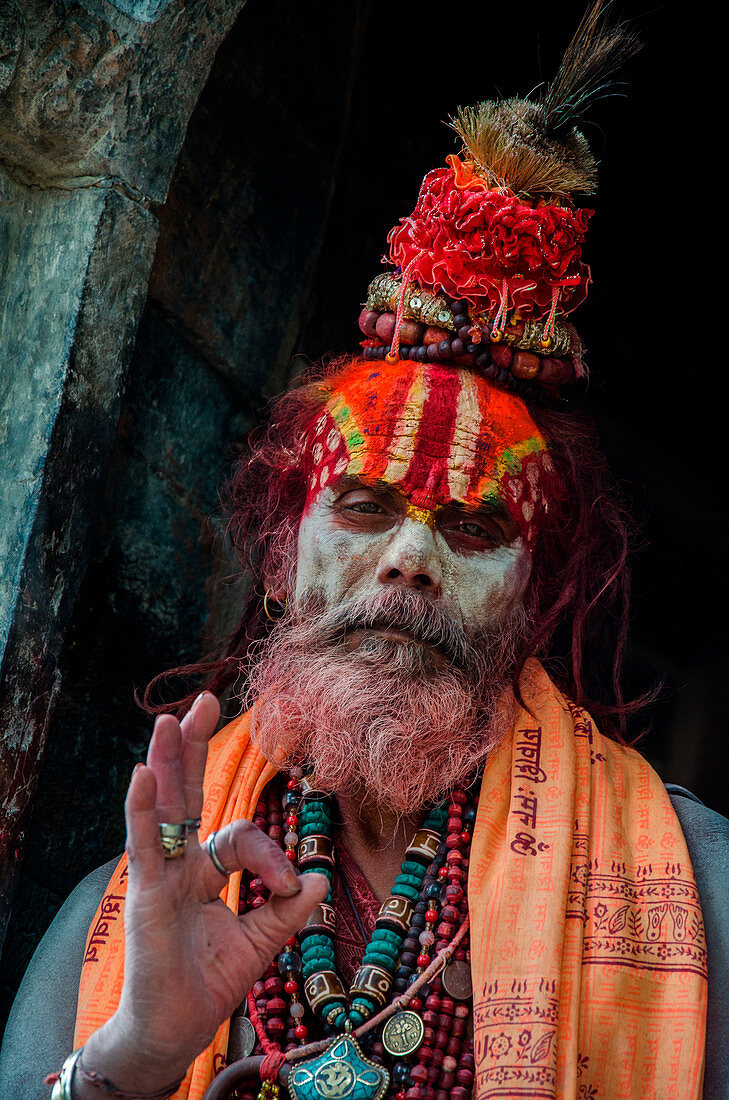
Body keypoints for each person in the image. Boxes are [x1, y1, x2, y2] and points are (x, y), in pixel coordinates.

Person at [2, 4, 728, 1098]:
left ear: (534, 593)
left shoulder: (697, 890)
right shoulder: (124, 920)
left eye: (478, 528)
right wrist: (132, 1060)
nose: (411, 560)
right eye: (365, 504)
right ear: (286, 550)